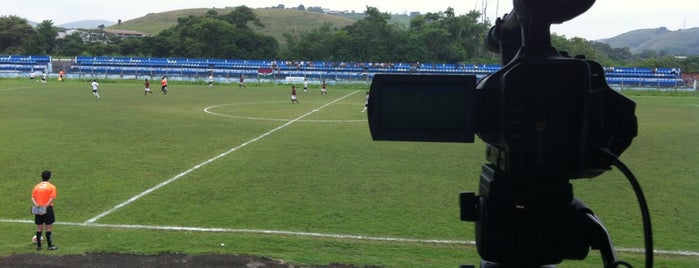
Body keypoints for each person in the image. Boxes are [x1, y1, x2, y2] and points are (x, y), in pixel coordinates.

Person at [32, 170, 58, 251]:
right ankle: (50, 246)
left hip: (38, 208)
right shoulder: (52, 187)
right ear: (49, 177)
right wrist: (46, 206)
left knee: (39, 227)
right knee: (48, 228)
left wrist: (37, 205)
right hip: (48, 208)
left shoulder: (36, 186)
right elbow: (51, 198)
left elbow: (33, 197)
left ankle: (39, 246)